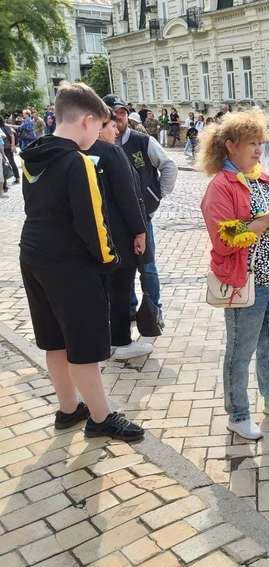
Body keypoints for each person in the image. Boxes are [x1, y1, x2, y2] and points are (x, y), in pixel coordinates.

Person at [19, 82, 144, 441]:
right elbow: (93, 222)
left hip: (33, 255)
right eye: (101, 125)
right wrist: (110, 262)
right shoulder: (77, 162)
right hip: (70, 264)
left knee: (54, 340)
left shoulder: (33, 155)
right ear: (88, 121)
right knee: (84, 346)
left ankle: (68, 409)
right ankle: (101, 418)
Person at [198, 109, 269, 439]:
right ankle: (238, 413)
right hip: (246, 280)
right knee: (240, 350)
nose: (258, 150)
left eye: (260, 143)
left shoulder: (261, 178)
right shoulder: (221, 186)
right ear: (230, 146)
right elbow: (225, 239)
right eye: (251, 143)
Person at [104, 95, 177, 321]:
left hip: (141, 217)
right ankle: (129, 307)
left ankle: (153, 310)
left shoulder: (142, 141)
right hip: (113, 221)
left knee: (147, 267)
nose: (119, 117)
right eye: (114, 113)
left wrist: (156, 197)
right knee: (119, 266)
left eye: (122, 112)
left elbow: (169, 166)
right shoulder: (99, 146)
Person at [89, 108, 153, 360]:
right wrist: (140, 230)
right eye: (110, 126)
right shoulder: (111, 152)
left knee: (101, 291)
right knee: (121, 290)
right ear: (97, 127)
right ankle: (120, 341)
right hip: (118, 235)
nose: (115, 130)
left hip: (92, 235)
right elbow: (128, 197)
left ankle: (103, 339)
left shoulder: (77, 151)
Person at [1, 117, 20, 184]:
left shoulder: (5, 126)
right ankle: (4, 181)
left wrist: (13, 146)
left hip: (7, 147)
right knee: (3, 164)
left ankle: (17, 178)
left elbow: (12, 135)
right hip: (3, 148)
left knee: (11, 162)